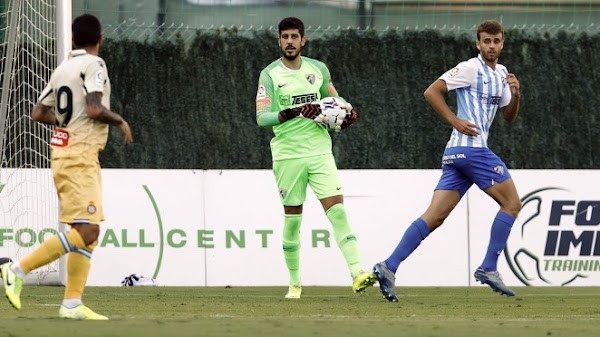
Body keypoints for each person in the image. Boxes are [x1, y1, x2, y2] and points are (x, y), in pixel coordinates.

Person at [373, 20, 522, 302]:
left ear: (502, 44)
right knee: (512, 204)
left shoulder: (502, 73)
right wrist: (454, 120)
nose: (491, 46)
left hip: (456, 156)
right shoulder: (469, 68)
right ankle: (489, 267)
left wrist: (516, 94)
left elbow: (509, 116)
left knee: (434, 217)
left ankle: (388, 266)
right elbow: (432, 91)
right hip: (472, 151)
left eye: (496, 41)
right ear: (478, 44)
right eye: (486, 41)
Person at [0, 14, 133, 319]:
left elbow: (37, 113)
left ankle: (72, 303)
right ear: (100, 40)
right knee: (87, 229)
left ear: (72, 40)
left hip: (69, 153)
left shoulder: (62, 68)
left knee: (89, 230)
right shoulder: (94, 65)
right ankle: (17, 270)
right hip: (79, 154)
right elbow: (95, 108)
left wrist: (66, 124)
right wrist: (119, 120)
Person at [255, 17, 372, 299]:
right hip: (288, 156)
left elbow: (336, 101)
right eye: (285, 37)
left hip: (320, 152)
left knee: (338, 212)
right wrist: (292, 112)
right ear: (279, 41)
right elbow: (262, 118)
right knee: (293, 220)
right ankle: (295, 284)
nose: (290, 41)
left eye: (295, 36)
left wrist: (347, 113)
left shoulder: (318, 70)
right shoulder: (269, 75)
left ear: (303, 40)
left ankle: (358, 273)